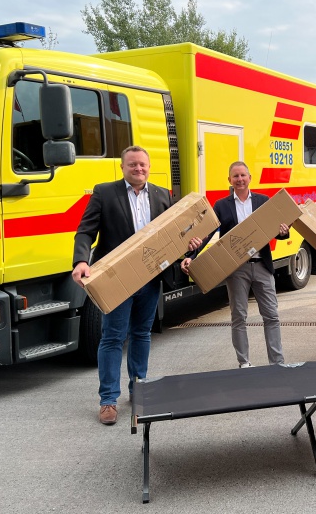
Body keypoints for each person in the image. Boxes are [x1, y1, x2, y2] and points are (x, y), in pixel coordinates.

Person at [72, 146, 202, 426]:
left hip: (150, 278)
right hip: (116, 278)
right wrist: (82, 260)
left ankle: (138, 388)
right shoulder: (104, 192)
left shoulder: (161, 195)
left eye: (142, 165)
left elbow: (174, 236)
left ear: (149, 166)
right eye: (132, 165)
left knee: (142, 334)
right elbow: (86, 230)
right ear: (122, 167)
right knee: (112, 337)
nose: (138, 169)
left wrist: (188, 249)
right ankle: (108, 400)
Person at [181, 161, 289, 368]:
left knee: (272, 316)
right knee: (239, 316)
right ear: (229, 180)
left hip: (262, 265)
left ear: (250, 178)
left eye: (243, 176)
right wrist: (192, 255)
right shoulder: (222, 205)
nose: (240, 180)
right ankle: (244, 363)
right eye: (235, 176)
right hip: (236, 269)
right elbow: (207, 233)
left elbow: (278, 230)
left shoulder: (263, 201)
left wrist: (284, 232)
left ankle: (277, 363)